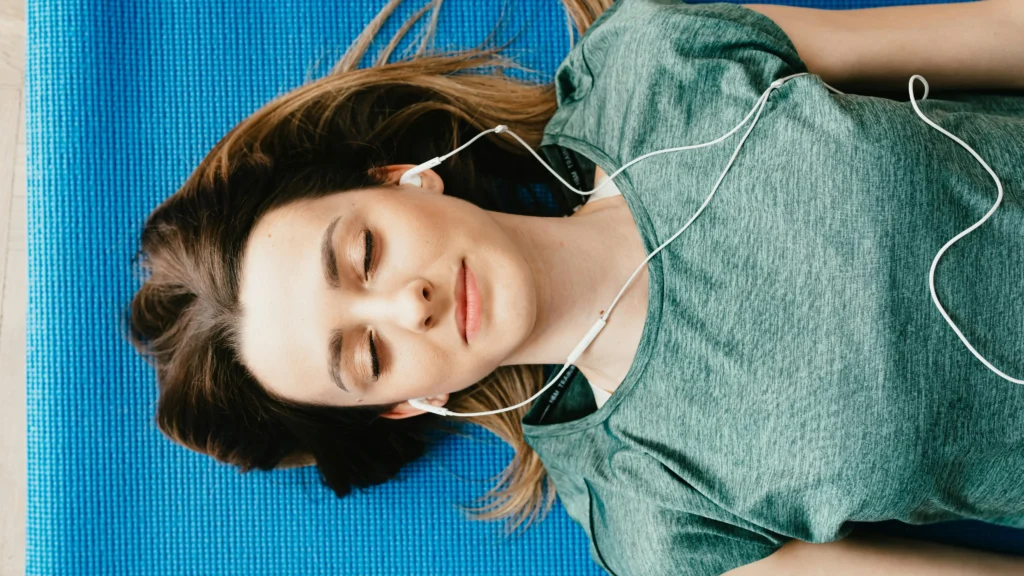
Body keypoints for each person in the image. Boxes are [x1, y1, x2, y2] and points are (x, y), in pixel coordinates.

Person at [125, 0, 1024, 573]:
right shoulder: (648, 514)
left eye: (363, 255)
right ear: (408, 403)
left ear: (404, 177)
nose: (409, 303)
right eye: (367, 352)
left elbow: (990, 36)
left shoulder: (648, 64)